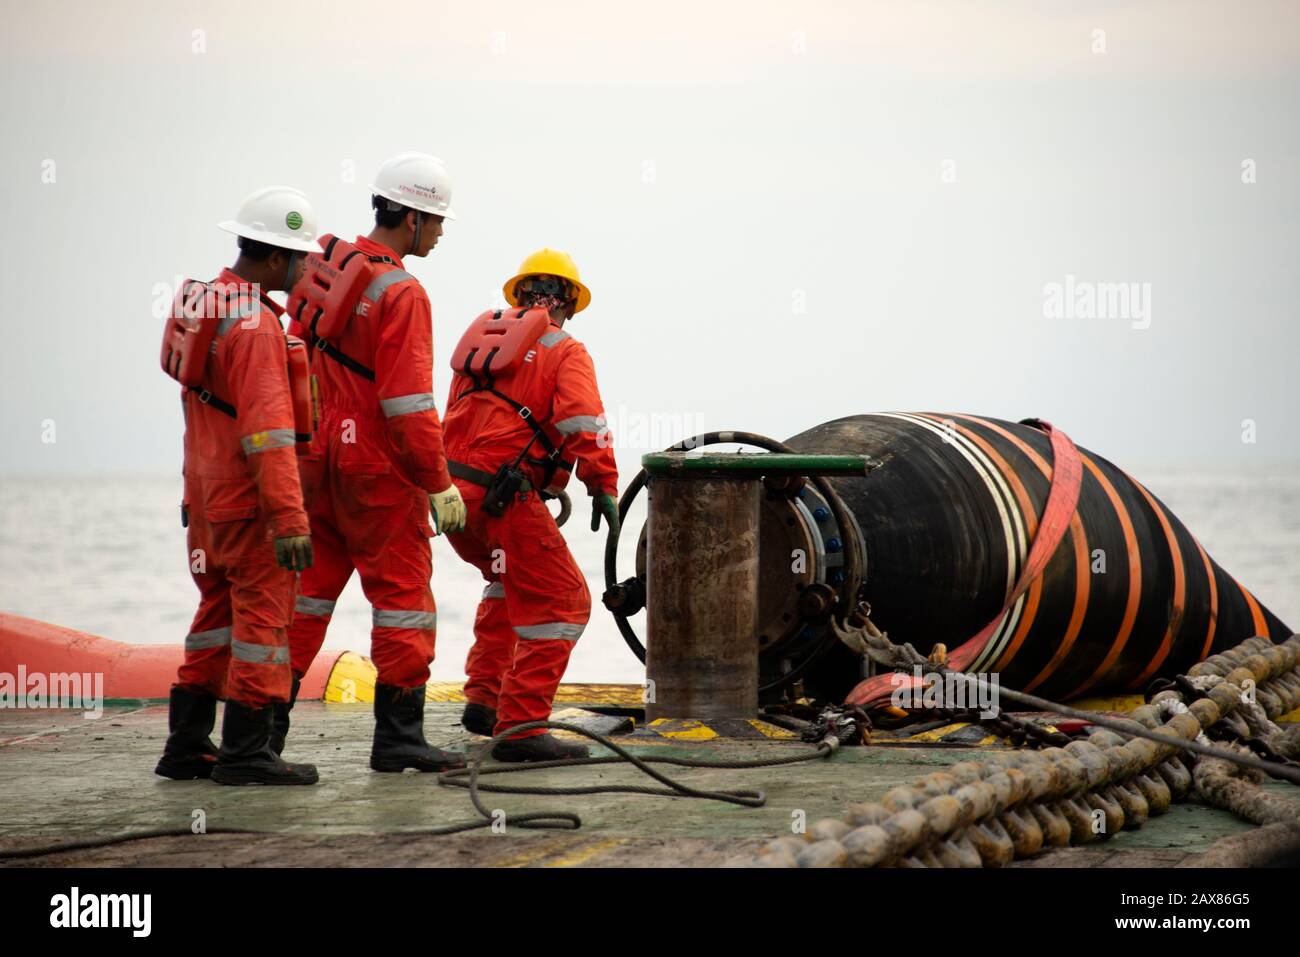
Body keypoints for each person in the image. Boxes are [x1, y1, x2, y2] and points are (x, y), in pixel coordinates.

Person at [282, 153, 468, 772]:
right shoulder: (404, 292)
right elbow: (409, 406)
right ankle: (398, 739)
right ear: (410, 218)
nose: (441, 233)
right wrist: (438, 483)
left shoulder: (327, 272)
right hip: (378, 471)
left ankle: (254, 739)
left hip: (318, 459)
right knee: (403, 599)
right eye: (436, 221)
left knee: (305, 598)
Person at [155, 186, 321, 785]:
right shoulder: (255, 327)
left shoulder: (209, 307)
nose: (308, 270)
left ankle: (188, 747)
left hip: (205, 499)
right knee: (263, 625)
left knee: (215, 617)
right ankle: (247, 752)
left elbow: (202, 418)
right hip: (252, 505)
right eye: (302, 259)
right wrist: (290, 521)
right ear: (277, 259)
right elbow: (268, 435)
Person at [442, 249, 619, 762]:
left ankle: (485, 699)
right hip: (507, 497)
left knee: (506, 582)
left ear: (518, 297)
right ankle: (520, 729)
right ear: (569, 302)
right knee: (562, 603)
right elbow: (582, 421)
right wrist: (602, 482)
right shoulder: (565, 349)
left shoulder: (477, 354)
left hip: (455, 499)